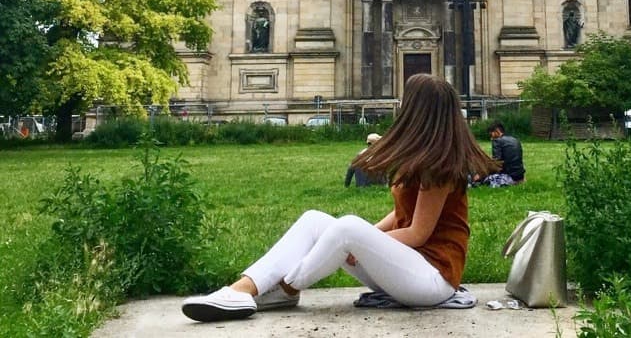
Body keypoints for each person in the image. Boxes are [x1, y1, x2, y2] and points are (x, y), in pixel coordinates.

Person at [181, 74, 500, 322]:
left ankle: (286, 288)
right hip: (405, 272)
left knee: (346, 227)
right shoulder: (420, 160)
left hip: (432, 280)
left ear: (418, 112)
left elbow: (419, 233)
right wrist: (363, 243)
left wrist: (355, 240)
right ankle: (244, 289)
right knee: (315, 220)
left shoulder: (440, 166)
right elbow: (398, 215)